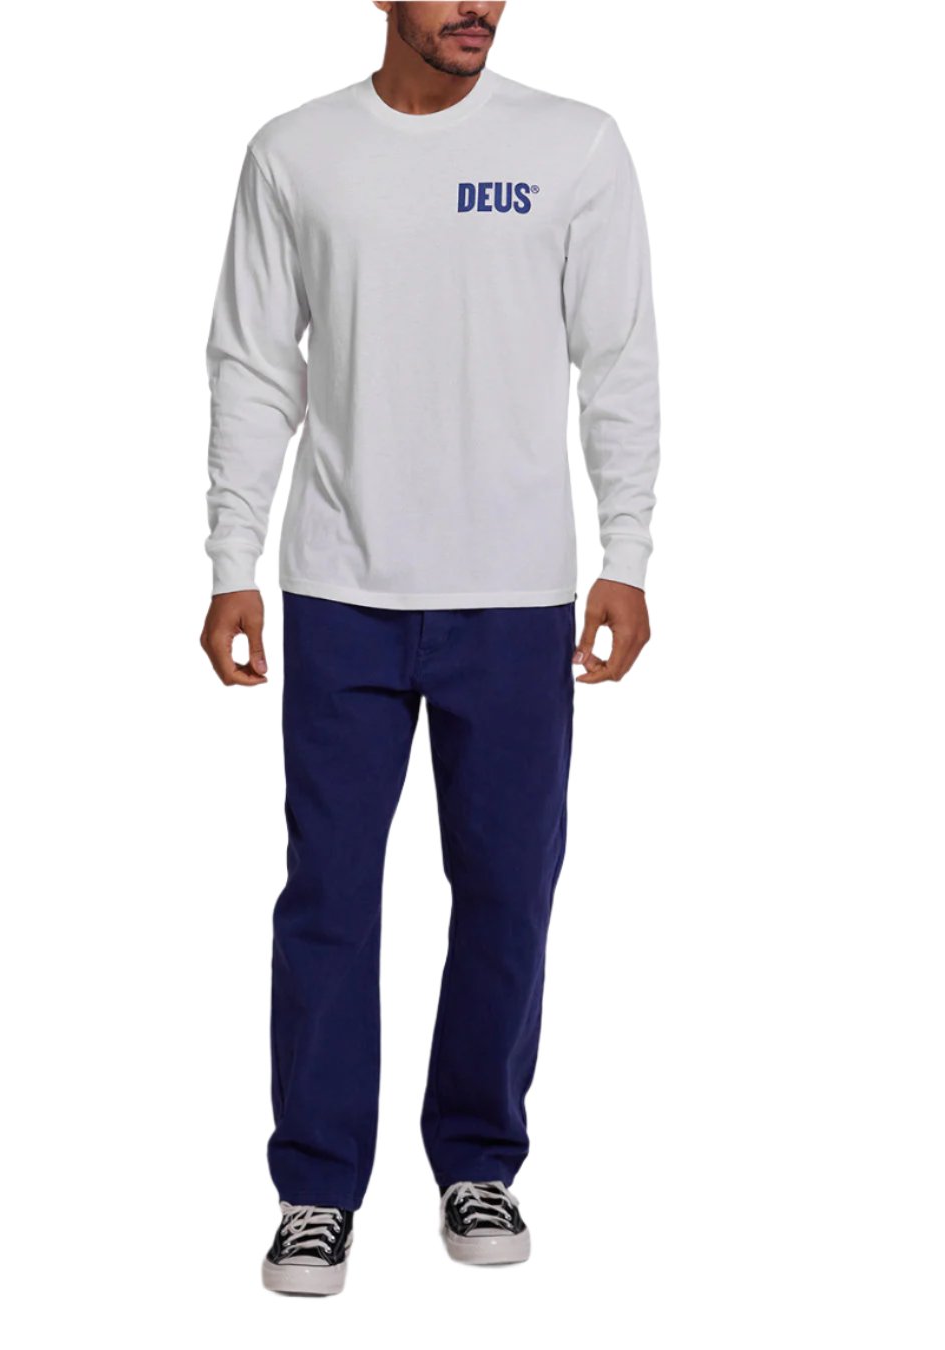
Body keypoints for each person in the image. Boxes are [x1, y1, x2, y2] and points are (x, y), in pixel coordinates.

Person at [200, 1, 660, 1296]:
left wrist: (626, 553)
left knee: (508, 891)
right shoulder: (295, 152)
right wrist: (232, 563)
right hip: (339, 586)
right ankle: (315, 1190)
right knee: (329, 898)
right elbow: (253, 368)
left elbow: (619, 362)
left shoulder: (574, 145)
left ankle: (478, 1160)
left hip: (514, 596)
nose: (480, 7)